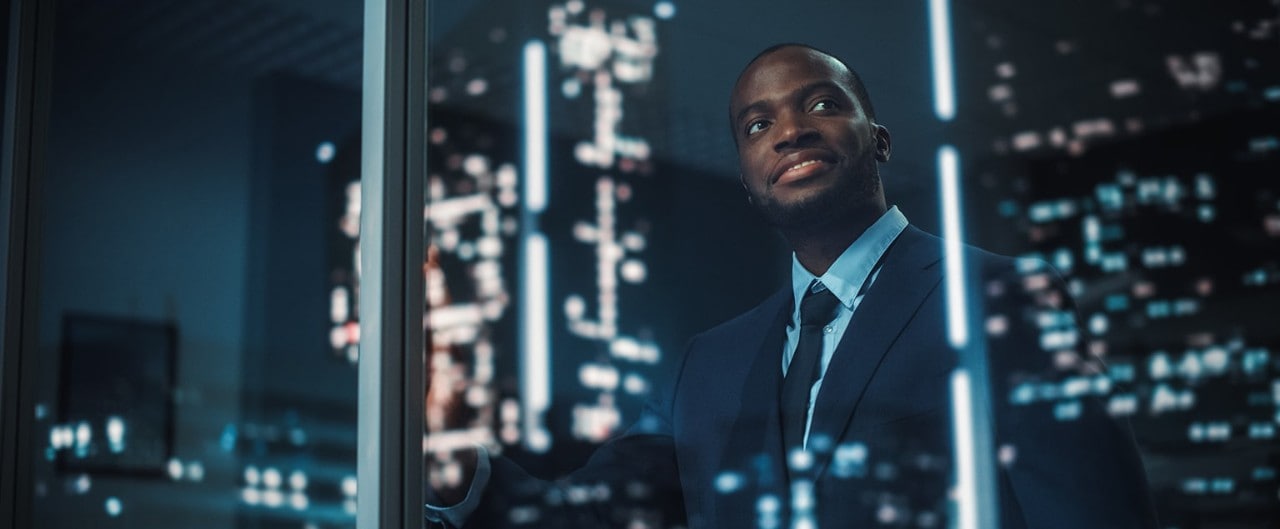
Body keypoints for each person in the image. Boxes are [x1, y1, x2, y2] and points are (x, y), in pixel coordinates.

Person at [425, 43, 1156, 529]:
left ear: (879, 138)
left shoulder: (1003, 300)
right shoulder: (703, 368)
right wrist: (452, 446)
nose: (790, 131)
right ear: (746, 180)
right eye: (755, 124)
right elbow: (575, 519)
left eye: (822, 104)